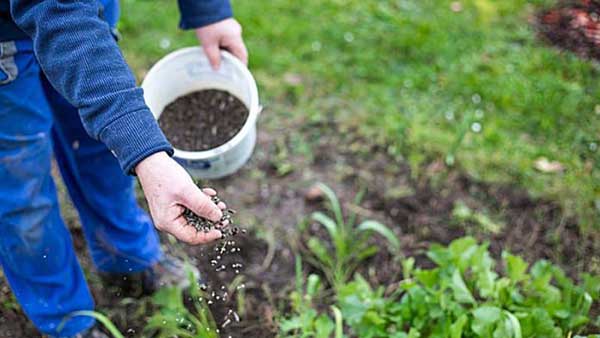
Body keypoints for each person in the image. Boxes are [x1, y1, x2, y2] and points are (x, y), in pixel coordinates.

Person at [0, 0, 248, 336]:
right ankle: (65, 319)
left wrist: (209, 11)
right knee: (20, 182)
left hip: (85, 10)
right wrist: (147, 154)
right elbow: (61, 17)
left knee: (101, 143)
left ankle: (126, 256)